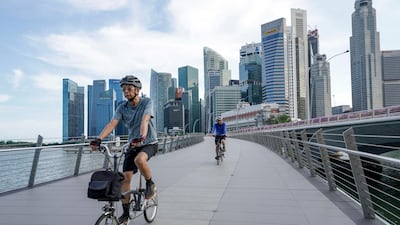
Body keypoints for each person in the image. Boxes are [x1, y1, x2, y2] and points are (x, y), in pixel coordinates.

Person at [90, 75, 158, 224]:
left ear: (138, 90)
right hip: (132, 144)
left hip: (149, 142)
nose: (126, 92)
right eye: (124, 90)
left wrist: (142, 136)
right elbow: (112, 124)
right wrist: (99, 139)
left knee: (139, 159)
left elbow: (145, 119)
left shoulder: (146, 102)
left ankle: (150, 184)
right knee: (125, 178)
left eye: (129, 89)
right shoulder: (122, 107)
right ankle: (126, 213)